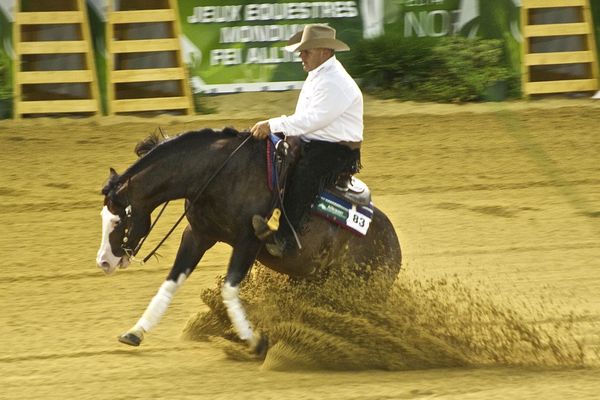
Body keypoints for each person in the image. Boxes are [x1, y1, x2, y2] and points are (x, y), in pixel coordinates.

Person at [250, 24, 363, 257]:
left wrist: (273, 124)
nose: (301, 56)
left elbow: (311, 120)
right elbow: (305, 119)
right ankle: (273, 217)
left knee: (304, 174)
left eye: (306, 51)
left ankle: (285, 239)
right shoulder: (319, 74)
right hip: (316, 140)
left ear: (324, 51)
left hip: (337, 150)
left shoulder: (335, 82)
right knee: (276, 158)